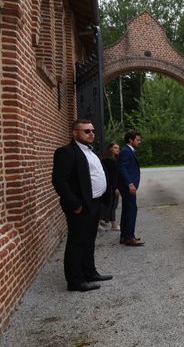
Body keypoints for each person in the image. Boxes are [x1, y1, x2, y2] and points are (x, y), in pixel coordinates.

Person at [52, 119, 113, 292]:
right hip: (80, 206)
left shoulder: (91, 151)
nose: (91, 133)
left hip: (94, 203)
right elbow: (59, 181)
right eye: (86, 131)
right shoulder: (66, 152)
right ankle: (75, 281)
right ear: (74, 133)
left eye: (92, 130)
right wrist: (75, 205)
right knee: (76, 243)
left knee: (89, 240)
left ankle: (90, 272)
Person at [118, 130, 144, 246]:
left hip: (128, 187)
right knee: (131, 210)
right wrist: (130, 183)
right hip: (128, 187)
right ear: (130, 140)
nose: (139, 142)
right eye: (137, 140)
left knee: (127, 210)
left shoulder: (128, 151)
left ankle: (124, 236)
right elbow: (122, 168)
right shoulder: (126, 151)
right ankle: (129, 237)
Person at [99, 142, 120, 231]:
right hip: (110, 187)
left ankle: (101, 221)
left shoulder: (116, 159)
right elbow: (111, 176)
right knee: (111, 205)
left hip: (112, 186)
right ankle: (114, 225)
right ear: (110, 149)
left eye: (118, 148)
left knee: (109, 205)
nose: (117, 149)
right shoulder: (107, 161)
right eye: (115, 147)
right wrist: (115, 188)